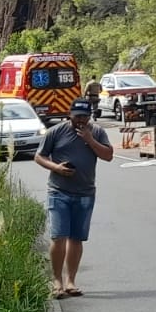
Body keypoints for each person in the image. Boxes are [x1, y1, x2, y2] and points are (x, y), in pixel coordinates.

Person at [35, 98, 113, 299]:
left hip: (85, 192)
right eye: (78, 116)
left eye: (85, 117)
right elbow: (39, 156)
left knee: (76, 238)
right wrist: (56, 168)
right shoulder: (56, 132)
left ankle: (71, 281)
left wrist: (89, 140)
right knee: (58, 236)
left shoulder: (96, 132)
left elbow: (108, 155)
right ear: (70, 114)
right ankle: (57, 281)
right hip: (59, 191)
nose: (81, 120)